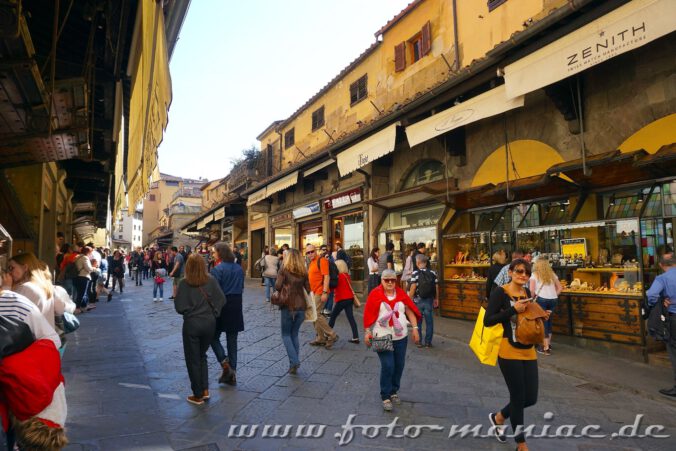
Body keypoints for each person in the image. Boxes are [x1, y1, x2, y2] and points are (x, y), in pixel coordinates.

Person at [485, 258, 548, 450]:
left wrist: (540, 314)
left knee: (531, 398)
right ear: (510, 272)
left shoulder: (527, 292)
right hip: (508, 350)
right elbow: (488, 320)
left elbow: (526, 318)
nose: (523, 275)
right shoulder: (500, 292)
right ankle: (521, 443)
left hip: (528, 349)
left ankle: (499, 417)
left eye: (527, 273)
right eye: (519, 271)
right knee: (518, 397)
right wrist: (512, 309)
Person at [363, 269, 421, 411]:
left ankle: (394, 390)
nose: (389, 282)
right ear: (381, 280)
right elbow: (368, 313)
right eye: (386, 280)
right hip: (381, 335)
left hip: (401, 336)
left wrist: (415, 328)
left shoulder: (401, 294)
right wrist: (367, 332)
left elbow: (409, 310)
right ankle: (385, 395)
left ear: (396, 281)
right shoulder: (375, 294)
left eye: (392, 280)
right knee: (388, 365)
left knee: (399, 365)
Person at [174, 254, 225, 405]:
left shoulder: (184, 283)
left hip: (192, 324)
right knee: (202, 355)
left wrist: (189, 311)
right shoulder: (211, 280)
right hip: (209, 324)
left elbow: (179, 307)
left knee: (193, 359)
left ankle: (197, 395)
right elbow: (222, 299)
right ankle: (205, 390)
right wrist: (214, 313)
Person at [210, 243, 244, 385]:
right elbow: (241, 287)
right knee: (232, 339)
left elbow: (214, 291)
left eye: (214, 252)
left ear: (220, 253)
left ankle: (225, 363)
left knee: (213, 336)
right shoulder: (239, 268)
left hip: (222, 304)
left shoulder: (217, 269)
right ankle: (233, 372)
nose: (213, 254)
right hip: (236, 303)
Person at [274, 249, 309, 374]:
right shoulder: (303, 271)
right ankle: (293, 364)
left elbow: (277, 286)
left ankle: (294, 361)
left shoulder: (284, 269)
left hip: (287, 306)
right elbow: (308, 289)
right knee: (294, 334)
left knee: (286, 335)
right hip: (301, 307)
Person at [646, 254, 676, 397]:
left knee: (674, 351)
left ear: (661, 265)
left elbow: (651, 294)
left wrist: (659, 302)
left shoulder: (662, 278)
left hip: (673, 318)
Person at [4, 253, 58, 329]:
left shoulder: (27, 288)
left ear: (25, 267)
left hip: (32, 338)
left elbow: (7, 313)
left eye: (12, 268)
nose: (9, 272)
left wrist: (6, 288)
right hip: (44, 337)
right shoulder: (42, 285)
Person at [306, 244, 338, 349]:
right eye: (308, 252)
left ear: (316, 251)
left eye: (312, 251)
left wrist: (324, 292)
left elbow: (326, 276)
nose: (310, 254)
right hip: (313, 292)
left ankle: (331, 334)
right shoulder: (311, 263)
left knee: (316, 313)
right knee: (312, 315)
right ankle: (320, 338)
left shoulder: (322, 260)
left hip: (320, 291)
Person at [529, 258, 562, 356]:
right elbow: (560, 288)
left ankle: (545, 347)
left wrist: (530, 300)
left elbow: (532, 291)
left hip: (541, 300)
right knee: (549, 321)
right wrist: (554, 295)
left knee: (543, 323)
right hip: (553, 299)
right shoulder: (552, 274)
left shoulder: (534, 275)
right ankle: (548, 343)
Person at [408, 254, 439, 348]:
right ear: (426, 263)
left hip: (418, 301)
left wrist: (409, 300)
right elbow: (437, 287)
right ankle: (428, 343)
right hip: (429, 300)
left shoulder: (415, 273)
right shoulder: (433, 273)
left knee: (418, 322)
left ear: (417, 263)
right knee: (429, 322)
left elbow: (413, 287)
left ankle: (419, 341)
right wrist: (436, 298)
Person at [328, 259, 359, 343]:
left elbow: (334, 286)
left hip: (341, 299)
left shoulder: (338, 276)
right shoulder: (346, 275)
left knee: (333, 317)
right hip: (349, 298)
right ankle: (355, 337)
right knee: (351, 318)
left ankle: (328, 334)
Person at [72, 247, 95, 313]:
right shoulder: (85, 257)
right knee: (81, 293)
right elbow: (88, 268)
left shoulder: (76, 257)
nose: (91, 254)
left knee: (79, 292)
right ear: (88, 252)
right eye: (90, 252)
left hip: (76, 276)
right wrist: (94, 268)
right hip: (83, 276)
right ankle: (78, 308)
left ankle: (83, 306)